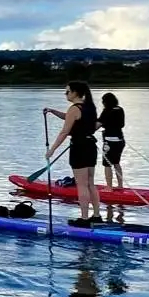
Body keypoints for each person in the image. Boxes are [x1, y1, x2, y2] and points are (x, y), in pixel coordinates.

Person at [43, 81, 102, 226]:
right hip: (90, 146)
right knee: (90, 183)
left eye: (67, 92)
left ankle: (84, 219)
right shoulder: (90, 107)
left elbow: (65, 131)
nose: (66, 94)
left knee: (81, 185)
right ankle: (96, 215)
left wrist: (52, 150)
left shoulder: (74, 109)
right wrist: (53, 111)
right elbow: (72, 119)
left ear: (75, 92)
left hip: (79, 147)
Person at [99, 92, 127, 191]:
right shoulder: (120, 109)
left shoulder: (107, 111)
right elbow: (121, 124)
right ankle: (120, 185)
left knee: (107, 164)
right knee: (116, 162)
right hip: (120, 141)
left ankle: (109, 187)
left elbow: (98, 124)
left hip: (110, 142)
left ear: (106, 102)